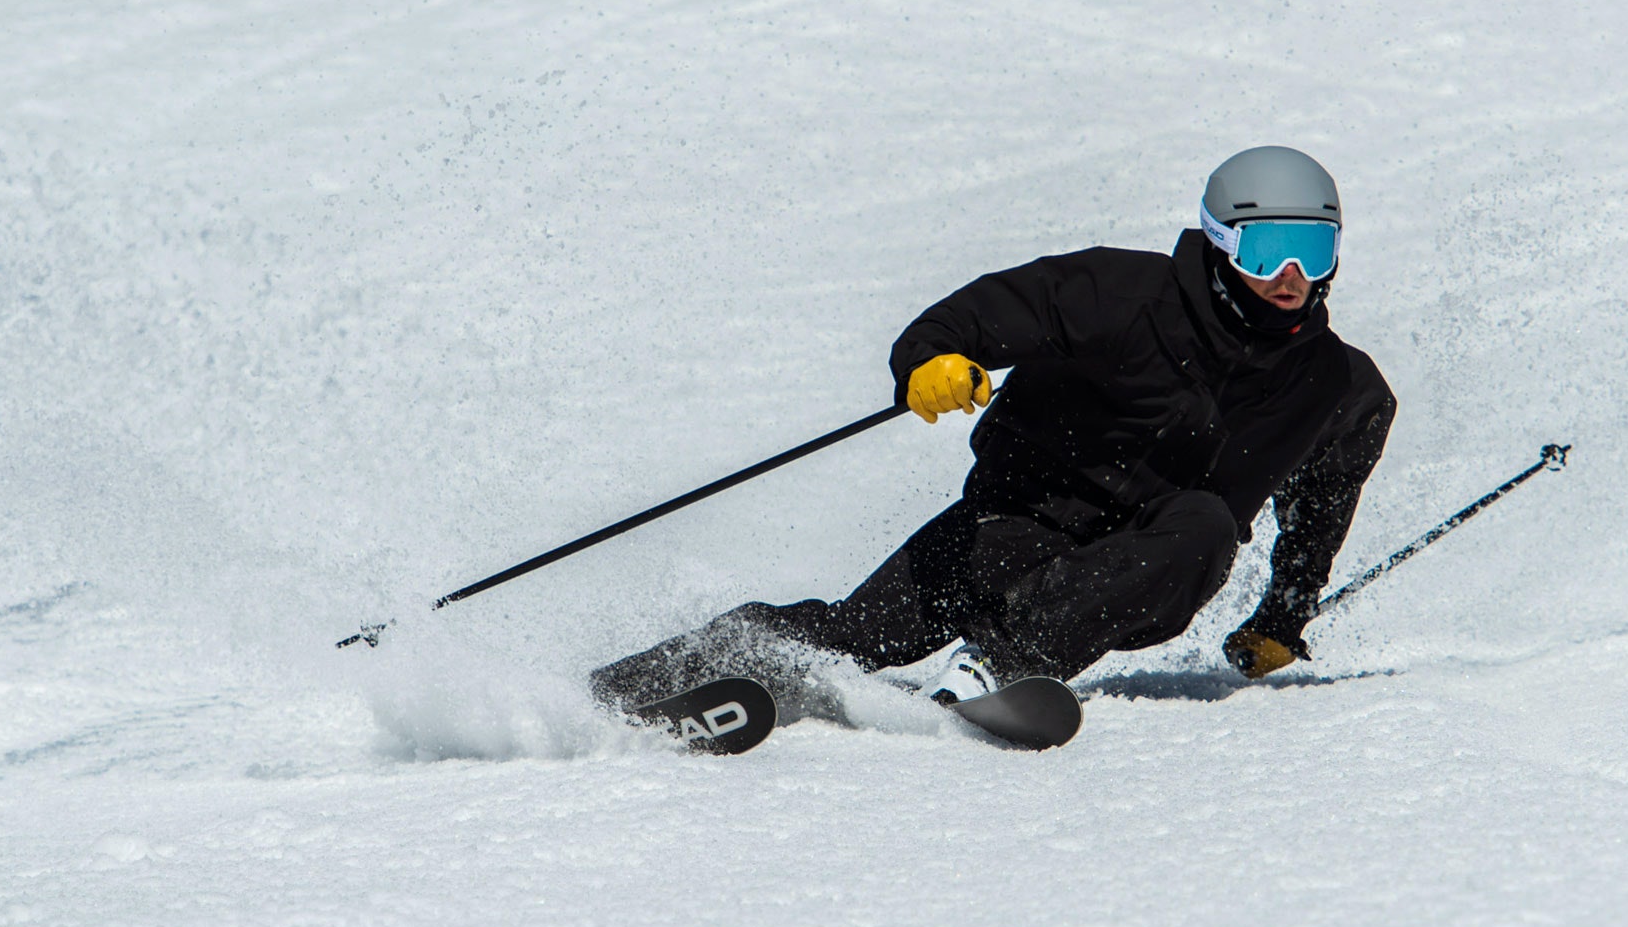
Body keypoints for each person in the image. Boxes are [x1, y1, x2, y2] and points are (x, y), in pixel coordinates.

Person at [591, 146, 1396, 711]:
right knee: (855, 635)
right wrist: (930, 360)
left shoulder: (1340, 388)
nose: (1291, 277)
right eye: (1267, 251)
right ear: (1223, 243)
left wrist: (1281, 619)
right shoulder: (1120, 294)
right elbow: (984, 313)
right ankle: (649, 684)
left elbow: (1322, 507)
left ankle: (1006, 664)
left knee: (1204, 522)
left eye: (1311, 249)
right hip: (1010, 524)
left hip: (1140, 568)